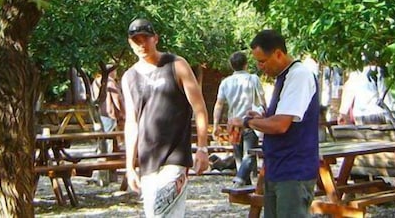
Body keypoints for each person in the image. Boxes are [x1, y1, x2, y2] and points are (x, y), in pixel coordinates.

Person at [121, 18, 211, 217]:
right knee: (153, 214)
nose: (142, 44)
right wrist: (129, 166)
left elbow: (200, 108)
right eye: (136, 40)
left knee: (163, 213)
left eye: (146, 38)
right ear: (130, 43)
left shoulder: (176, 65)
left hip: (175, 158)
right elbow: (132, 122)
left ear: (155, 39)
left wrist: (202, 148)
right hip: (148, 160)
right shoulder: (129, 77)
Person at [229, 30, 319, 218]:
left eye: (262, 61)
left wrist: (247, 122)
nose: (260, 67)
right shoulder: (283, 77)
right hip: (277, 168)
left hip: (294, 171)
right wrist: (261, 118)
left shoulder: (299, 75)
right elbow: (282, 118)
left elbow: (280, 125)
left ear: (278, 54)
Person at [212, 51, 266, 186]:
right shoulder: (253, 79)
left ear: (231, 65)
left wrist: (215, 125)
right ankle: (242, 180)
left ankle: (242, 184)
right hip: (250, 122)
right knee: (250, 154)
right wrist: (266, 116)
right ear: (246, 64)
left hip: (233, 123)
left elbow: (219, 105)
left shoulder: (225, 82)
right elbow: (262, 101)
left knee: (238, 156)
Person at [92, 64, 124, 132]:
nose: (116, 73)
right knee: (109, 137)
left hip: (98, 114)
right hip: (109, 114)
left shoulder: (95, 82)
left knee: (101, 136)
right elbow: (117, 99)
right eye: (115, 71)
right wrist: (124, 113)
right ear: (111, 71)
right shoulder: (110, 82)